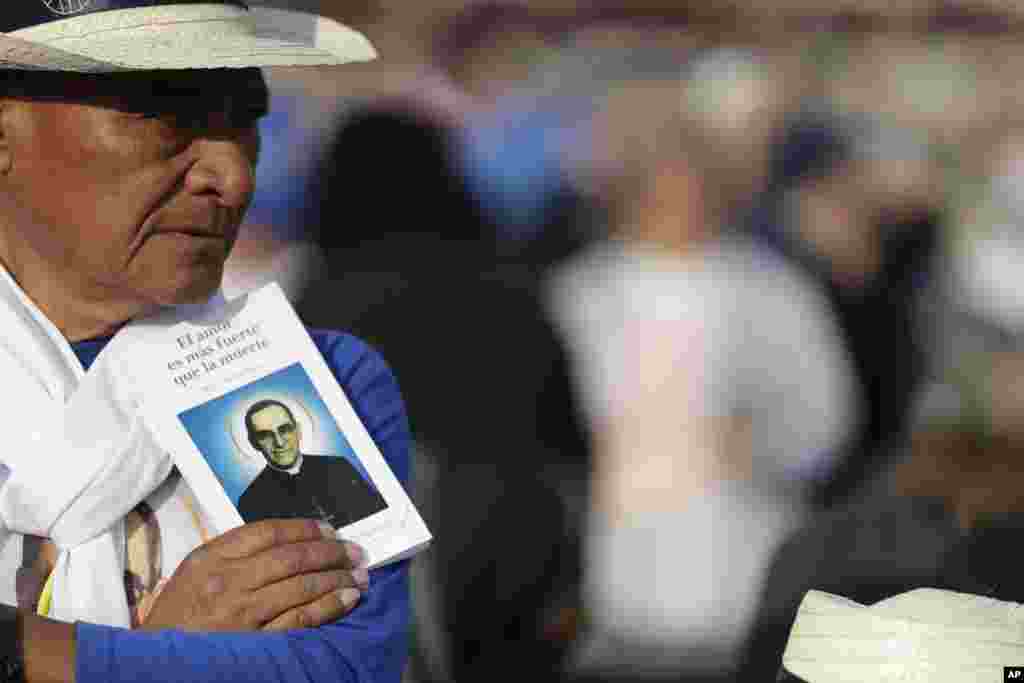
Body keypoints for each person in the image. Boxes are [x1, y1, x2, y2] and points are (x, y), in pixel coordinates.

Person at [0, 3, 411, 683]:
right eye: (169, 114)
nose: (235, 175)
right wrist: (174, 647)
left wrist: (28, 652)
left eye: (245, 120)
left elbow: (339, 667)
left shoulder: (321, 381)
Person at [238, 399, 387, 528]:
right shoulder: (251, 502)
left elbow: (380, 516)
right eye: (265, 435)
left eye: (285, 430)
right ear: (254, 443)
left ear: (298, 431)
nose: (279, 442)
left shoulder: (339, 467)